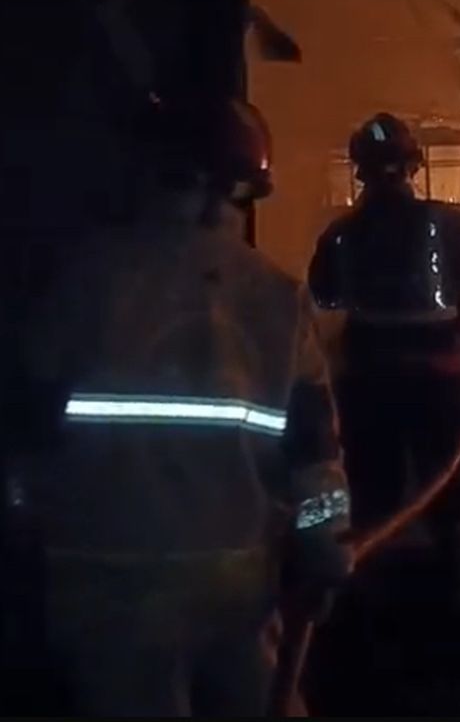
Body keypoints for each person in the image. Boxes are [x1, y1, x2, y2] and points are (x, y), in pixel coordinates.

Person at [9, 95, 353, 715]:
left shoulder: (81, 281)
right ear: (240, 187)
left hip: (105, 578)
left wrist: (24, 526)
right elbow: (315, 454)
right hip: (234, 580)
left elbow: (24, 435)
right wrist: (327, 547)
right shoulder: (276, 296)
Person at [307, 113, 460, 599]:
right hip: (439, 384)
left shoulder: (340, 234)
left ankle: (368, 602)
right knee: (449, 494)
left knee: (372, 501)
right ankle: (457, 605)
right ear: (416, 164)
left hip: (367, 383)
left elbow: (324, 295)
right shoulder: (449, 226)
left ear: (358, 170)